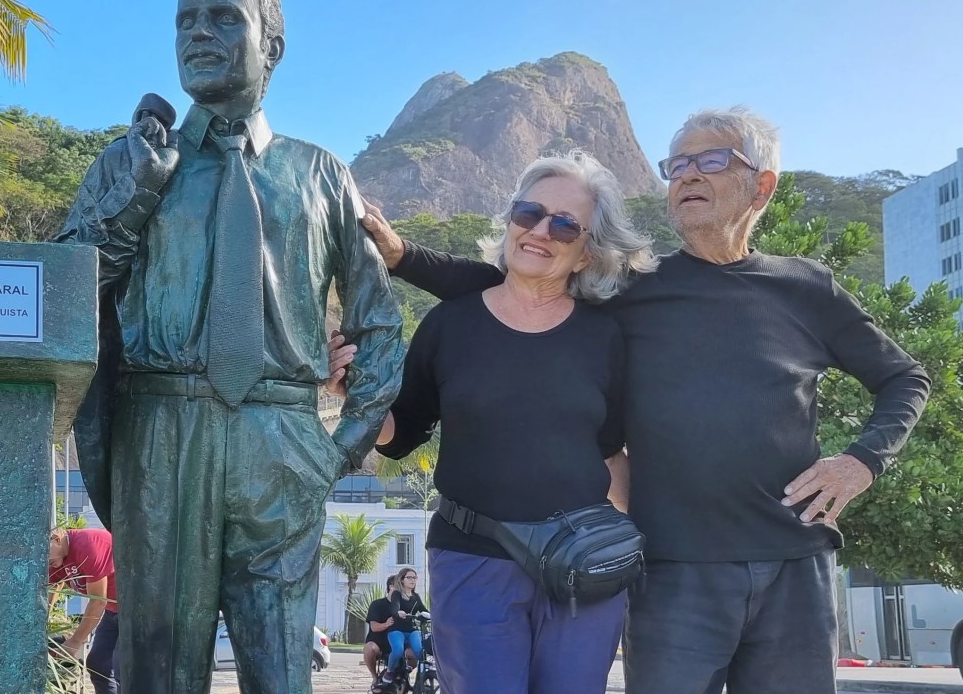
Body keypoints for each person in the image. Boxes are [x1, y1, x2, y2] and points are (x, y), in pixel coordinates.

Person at [357, 107, 931, 694]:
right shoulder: (635, 291)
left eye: (711, 161)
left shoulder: (809, 288)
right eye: (677, 164)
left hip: (794, 562)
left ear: (762, 185)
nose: (687, 176)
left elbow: (905, 378)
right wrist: (404, 256)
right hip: (671, 570)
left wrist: (861, 461)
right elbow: (518, 284)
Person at [54, 0, 404, 691]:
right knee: (157, 672)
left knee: (280, 673)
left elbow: (377, 322)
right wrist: (137, 195)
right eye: (186, 21)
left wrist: (336, 452)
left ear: (271, 44)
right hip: (161, 433)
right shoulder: (128, 165)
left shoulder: (322, 174)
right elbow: (63, 299)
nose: (198, 33)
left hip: (282, 441)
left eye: (222, 17)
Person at [369, 152, 654, 694]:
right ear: (509, 220)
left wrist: (641, 543)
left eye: (566, 225)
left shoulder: (607, 338)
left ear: (587, 252)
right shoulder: (449, 324)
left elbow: (611, 450)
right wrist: (357, 397)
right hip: (472, 558)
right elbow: (402, 434)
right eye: (529, 213)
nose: (541, 231)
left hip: (584, 563)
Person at [48, 527, 119, 694]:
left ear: (56, 539)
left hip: (137, 611)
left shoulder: (88, 545)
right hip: (112, 611)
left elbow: (98, 601)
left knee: (126, 665)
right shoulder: (58, 557)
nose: (46, 561)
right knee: (98, 664)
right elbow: (52, 585)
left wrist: (74, 642)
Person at [380, 568, 429, 686]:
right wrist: (398, 612)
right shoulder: (397, 594)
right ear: (402, 580)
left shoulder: (416, 597)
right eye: (409, 577)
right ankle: (389, 671)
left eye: (414, 578)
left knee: (420, 652)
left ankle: (423, 678)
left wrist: (432, 616)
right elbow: (394, 609)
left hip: (412, 630)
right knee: (397, 651)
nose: (413, 580)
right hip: (397, 630)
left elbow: (423, 610)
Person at [363, 575, 402, 683]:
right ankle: (375, 677)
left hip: (398, 643)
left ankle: (407, 678)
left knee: (414, 652)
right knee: (369, 648)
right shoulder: (377, 604)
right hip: (379, 643)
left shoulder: (405, 605)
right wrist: (386, 624)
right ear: (391, 587)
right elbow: (374, 627)